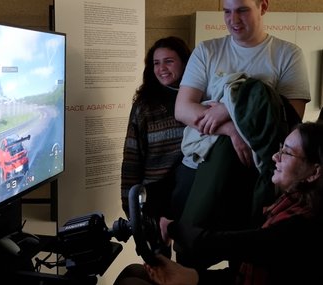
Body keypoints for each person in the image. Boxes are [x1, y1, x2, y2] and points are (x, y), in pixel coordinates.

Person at [172, 0, 311, 266]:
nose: (233, 19)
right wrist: (232, 129)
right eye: (227, 11)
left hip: (253, 173)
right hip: (200, 169)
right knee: (190, 256)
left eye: (243, 10)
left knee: (246, 259)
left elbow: (290, 120)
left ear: (263, 7)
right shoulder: (207, 51)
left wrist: (227, 107)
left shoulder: (287, 54)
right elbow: (182, 109)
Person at [114, 121, 323, 285]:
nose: (276, 157)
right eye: (281, 148)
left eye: (287, 152)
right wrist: (191, 277)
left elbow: (229, 244)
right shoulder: (285, 206)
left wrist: (172, 228)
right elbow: (238, 274)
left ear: (314, 172)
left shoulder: (303, 224)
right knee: (133, 272)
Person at [121, 36, 191, 219]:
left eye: (169, 61)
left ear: (184, 63)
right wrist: (131, 209)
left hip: (191, 194)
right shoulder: (145, 106)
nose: (162, 69)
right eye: (156, 63)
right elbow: (131, 158)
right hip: (154, 198)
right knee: (156, 248)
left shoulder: (199, 100)